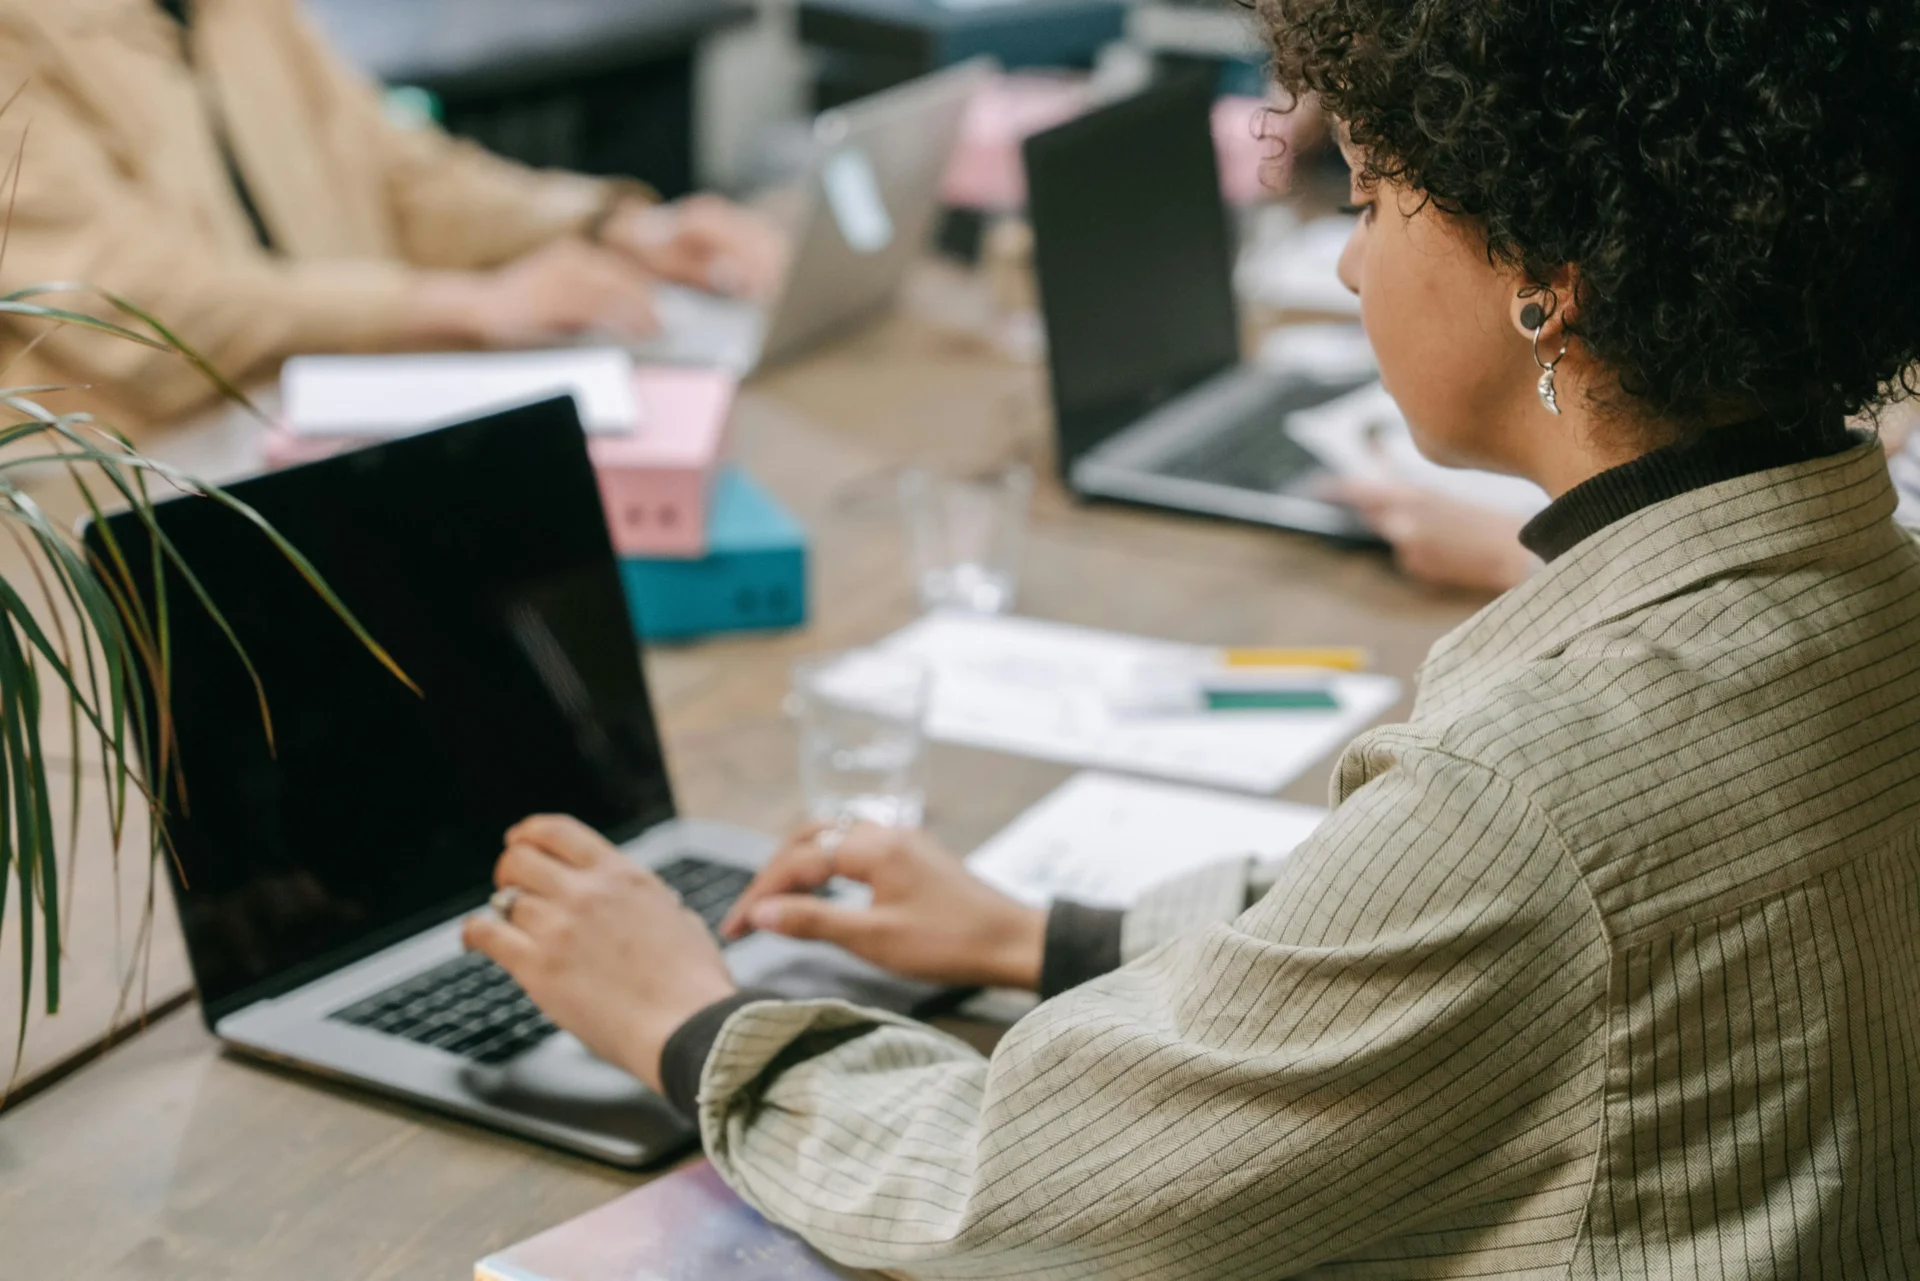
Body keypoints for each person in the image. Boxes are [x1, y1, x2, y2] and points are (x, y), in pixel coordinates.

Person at [468, 0, 1920, 1274]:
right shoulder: (1876, 598)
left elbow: (1023, 1207)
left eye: (1368, 201)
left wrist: (690, 1023)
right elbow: (1443, 942)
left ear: (1546, 274)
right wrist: (1044, 934)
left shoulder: (1530, 793)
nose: (1352, 270)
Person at [0, 0, 783, 438]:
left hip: (336, 422)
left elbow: (396, 173)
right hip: (147, 493)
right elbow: (129, 305)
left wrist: (607, 225)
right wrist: (462, 306)